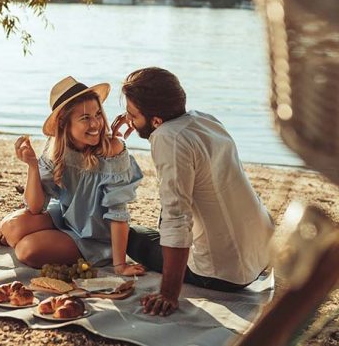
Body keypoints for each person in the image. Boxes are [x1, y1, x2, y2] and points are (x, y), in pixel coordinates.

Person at [111, 67, 274, 316]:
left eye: (133, 115)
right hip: (261, 253)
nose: (129, 120)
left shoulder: (168, 138)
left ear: (156, 120)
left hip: (223, 274)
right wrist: (137, 118)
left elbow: (177, 219)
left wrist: (168, 293)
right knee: (152, 231)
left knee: (129, 237)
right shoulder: (204, 120)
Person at [0, 76, 146, 276]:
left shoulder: (113, 151)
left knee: (27, 250)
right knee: (10, 225)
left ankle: (7, 240)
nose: (96, 123)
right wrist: (32, 166)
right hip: (64, 218)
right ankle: (5, 237)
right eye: (85, 118)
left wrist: (119, 265)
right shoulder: (56, 149)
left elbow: (118, 213)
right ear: (63, 123)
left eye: (98, 114)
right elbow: (35, 207)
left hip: (95, 237)